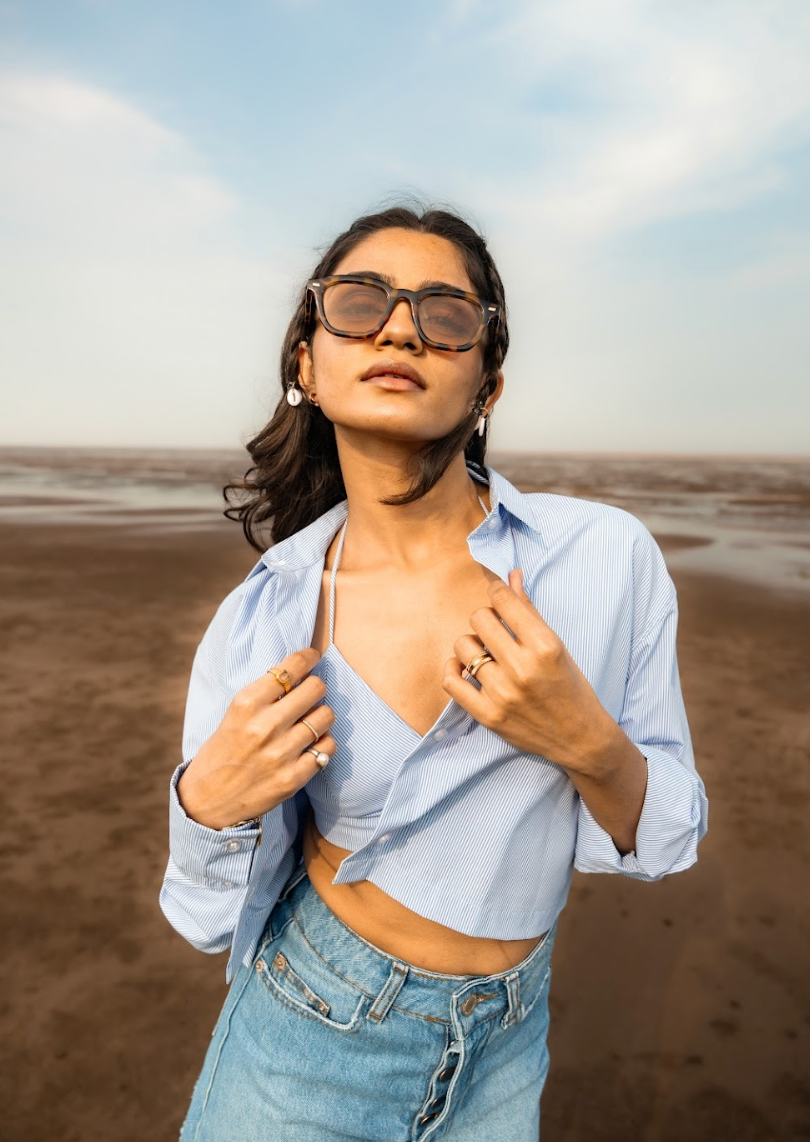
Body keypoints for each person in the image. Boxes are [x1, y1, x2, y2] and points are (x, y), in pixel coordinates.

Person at [160, 204, 708, 1141]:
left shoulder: (604, 559)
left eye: (446, 314)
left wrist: (582, 737)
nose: (402, 326)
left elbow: (666, 836)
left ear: (487, 382)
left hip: (505, 1046)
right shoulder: (267, 614)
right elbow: (207, 917)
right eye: (360, 303)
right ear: (307, 363)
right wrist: (205, 804)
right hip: (306, 1036)